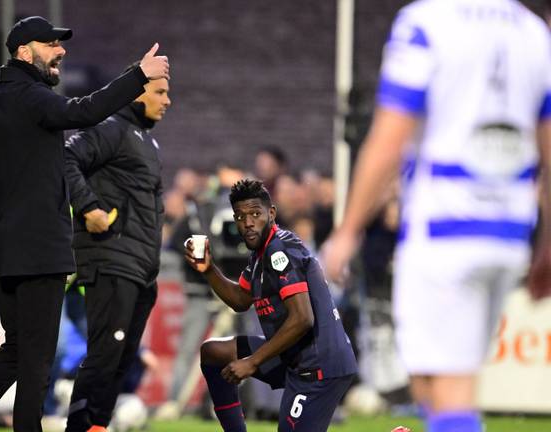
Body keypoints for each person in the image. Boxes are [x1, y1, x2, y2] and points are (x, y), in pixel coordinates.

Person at [321, 1, 551, 431]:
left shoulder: (426, 23)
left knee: (448, 386)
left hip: (446, 224)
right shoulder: (534, 33)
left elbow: (389, 138)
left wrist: (348, 230)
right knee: (430, 379)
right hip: (508, 231)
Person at [0, 16, 169, 432]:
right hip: (39, 247)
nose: (61, 50)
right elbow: (84, 111)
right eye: (50, 44)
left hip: (3, 244)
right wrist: (138, 75)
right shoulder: (30, 98)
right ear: (24, 52)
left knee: (16, 350)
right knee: (37, 359)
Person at [184, 179, 356, 432]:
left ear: (271, 213)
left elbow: (302, 319)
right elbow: (241, 300)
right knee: (214, 352)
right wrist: (209, 270)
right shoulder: (260, 253)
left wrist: (252, 361)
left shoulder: (280, 251)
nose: (248, 223)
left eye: (255, 214)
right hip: (292, 356)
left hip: (319, 368)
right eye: (241, 217)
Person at [62, 62, 170, 431]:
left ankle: (97, 426)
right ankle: (79, 426)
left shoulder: (145, 139)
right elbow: (65, 158)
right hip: (110, 258)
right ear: (136, 91)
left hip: (140, 266)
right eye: (160, 92)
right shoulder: (111, 128)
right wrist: (89, 207)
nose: (167, 101)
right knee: (106, 353)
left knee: (122, 358)